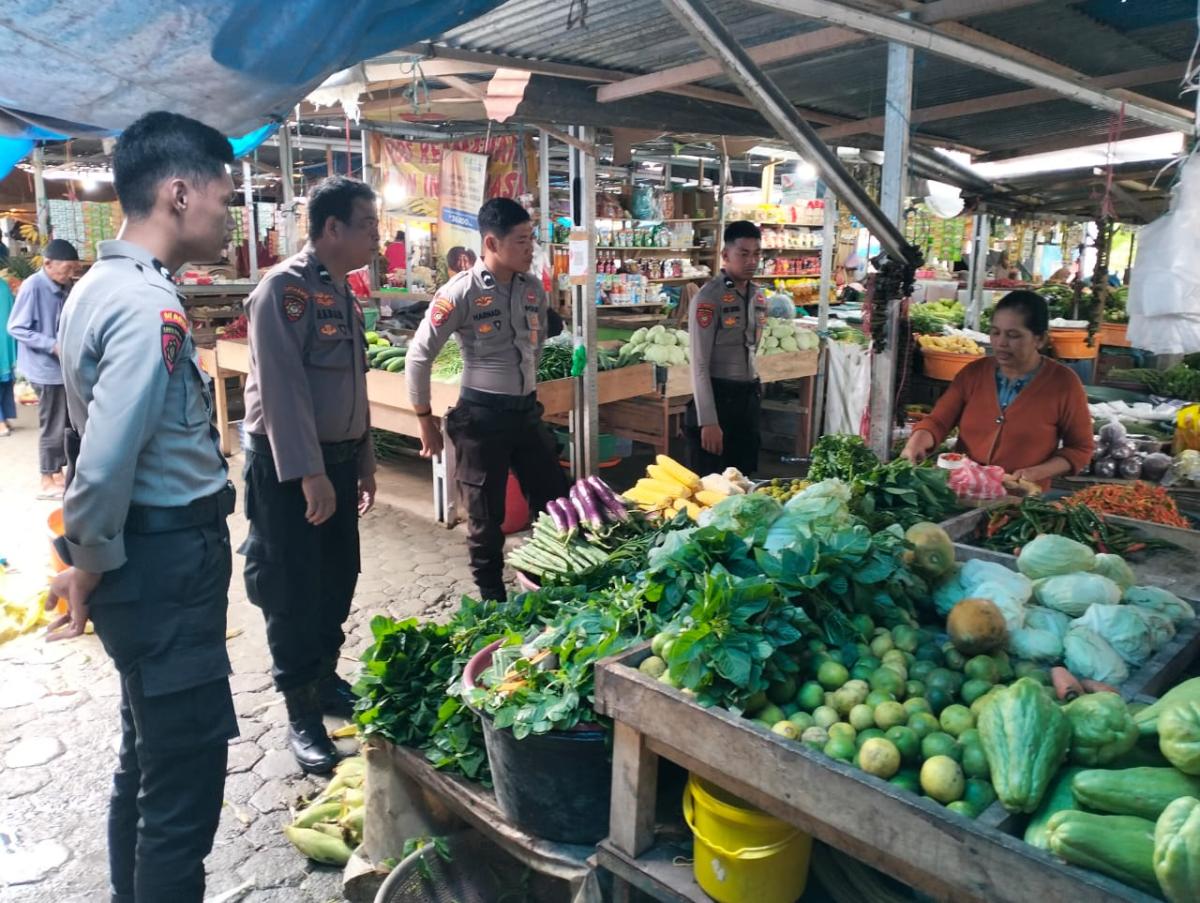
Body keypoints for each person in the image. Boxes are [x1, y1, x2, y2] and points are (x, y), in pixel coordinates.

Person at [46, 110, 238, 903]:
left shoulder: (99, 286)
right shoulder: (146, 308)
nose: (231, 216)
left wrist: (85, 561)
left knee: (149, 760)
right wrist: (80, 559)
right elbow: (104, 460)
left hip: (145, 568)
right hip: (165, 570)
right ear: (180, 193)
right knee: (184, 788)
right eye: (227, 198)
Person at [240, 175, 378, 773]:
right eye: (369, 225)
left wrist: (365, 462)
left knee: (337, 575)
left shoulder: (343, 291)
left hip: (338, 464)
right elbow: (282, 390)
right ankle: (299, 711)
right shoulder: (284, 290)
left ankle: (323, 678)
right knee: (291, 588)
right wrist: (308, 473)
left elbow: (354, 385)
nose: (378, 236)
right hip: (289, 468)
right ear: (332, 229)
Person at [406, 197, 569, 602]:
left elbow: (537, 343)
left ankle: (541, 582)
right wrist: (424, 418)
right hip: (482, 417)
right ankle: (492, 600)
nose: (531, 249)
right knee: (485, 517)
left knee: (555, 502)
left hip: (526, 414)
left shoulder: (533, 288)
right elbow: (418, 355)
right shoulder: (459, 292)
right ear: (492, 243)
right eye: (521, 241)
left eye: (532, 239)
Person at [901, 290, 1093, 490]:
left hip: (1021, 501)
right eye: (995, 332)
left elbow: (1080, 449)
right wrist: (917, 441)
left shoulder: (1063, 384)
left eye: (1013, 335)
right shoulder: (973, 373)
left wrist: (1036, 473)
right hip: (964, 491)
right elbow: (939, 421)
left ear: (1040, 339)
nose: (1001, 343)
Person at [686, 219, 769, 476]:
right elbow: (699, 364)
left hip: (747, 398)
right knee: (713, 484)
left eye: (756, 254)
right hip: (719, 398)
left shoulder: (757, 295)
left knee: (745, 480)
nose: (751, 261)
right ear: (725, 255)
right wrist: (708, 420)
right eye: (743, 254)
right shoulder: (709, 298)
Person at [7, 238, 80, 497]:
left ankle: (58, 472)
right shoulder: (33, 286)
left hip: (61, 370)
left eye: (74, 268)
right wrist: (52, 345)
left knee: (67, 423)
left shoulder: (64, 286)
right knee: (53, 424)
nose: (70, 274)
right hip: (44, 370)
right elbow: (15, 327)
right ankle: (47, 479)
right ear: (48, 264)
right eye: (67, 268)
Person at [0, 276, 16, 436]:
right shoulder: (3, 285)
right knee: (4, 381)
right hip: (6, 341)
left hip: (4, 341)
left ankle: (2, 420)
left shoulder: (3, 285)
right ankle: (2, 419)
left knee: (4, 381)